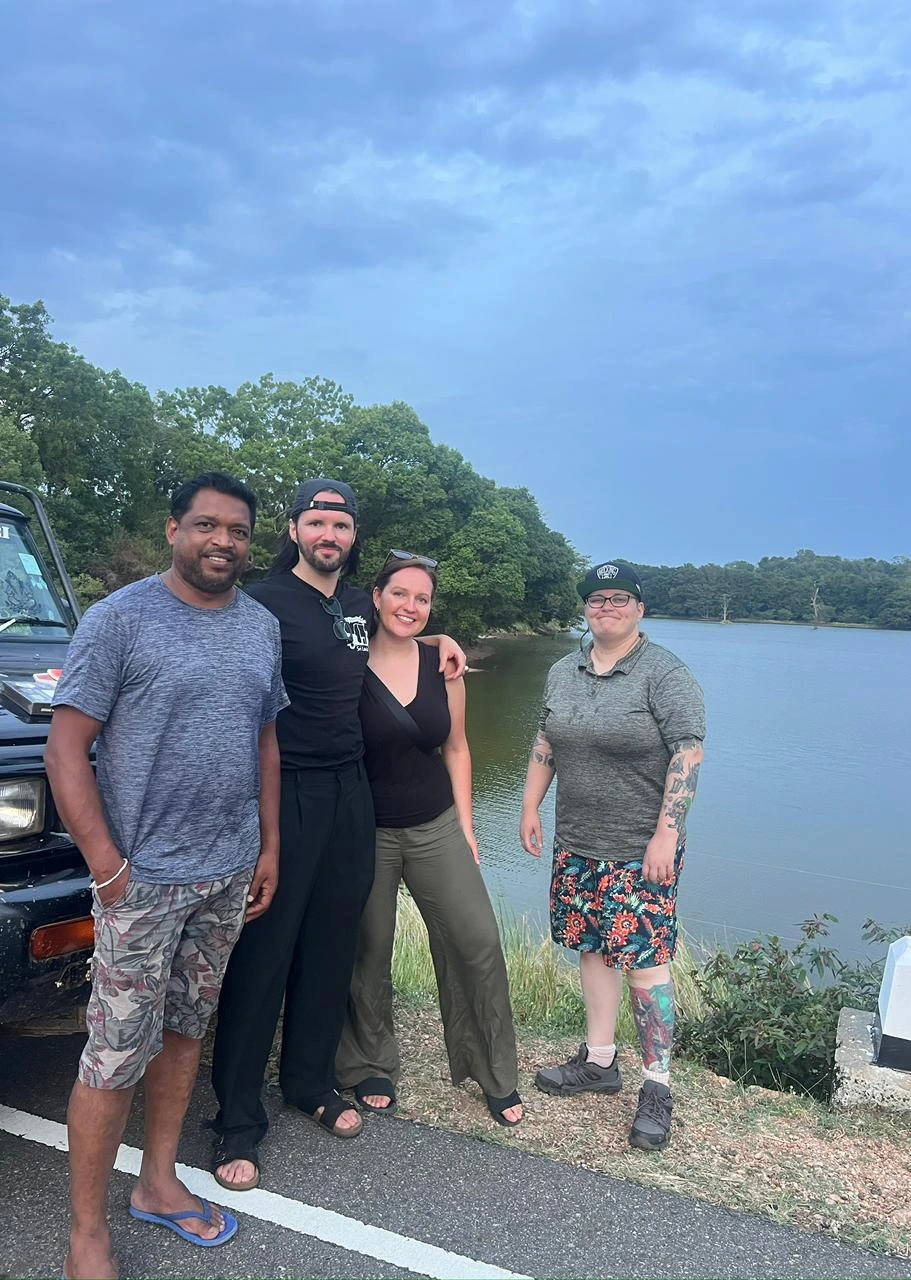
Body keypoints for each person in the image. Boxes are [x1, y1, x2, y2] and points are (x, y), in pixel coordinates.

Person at [46, 472, 287, 1280]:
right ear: (173, 530)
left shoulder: (260, 627)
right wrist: (108, 869)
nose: (224, 542)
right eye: (207, 525)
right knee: (114, 1054)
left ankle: (157, 1182)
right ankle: (87, 1234)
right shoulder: (119, 620)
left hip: (225, 873)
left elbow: (264, 741)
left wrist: (268, 846)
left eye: (239, 531)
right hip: (142, 880)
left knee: (185, 1032)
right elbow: (65, 748)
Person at [211, 480, 466, 1190]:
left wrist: (441, 640)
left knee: (330, 946)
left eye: (342, 524)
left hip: (351, 791)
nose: (330, 534)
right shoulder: (260, 603)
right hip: (285, 790)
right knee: (265, 952)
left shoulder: (356, 604)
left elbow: (401, 634)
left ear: (354, 537)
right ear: (294, 529)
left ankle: (309, 1081)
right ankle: (237, 1117)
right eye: (318, 521)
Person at [520, 560, 704, 1151]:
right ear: (585, 609)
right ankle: (599, 1061)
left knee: (646, 964)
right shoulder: (562, 671)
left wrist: (667, 834)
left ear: (640, 609)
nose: (607, 607)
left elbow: (687, 754)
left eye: (620, 598)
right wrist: (529, 807)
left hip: (639, 850)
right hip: (578, 842)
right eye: (597, 598)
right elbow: (546, 741)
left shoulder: (664, 673)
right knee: (594, 949)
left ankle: (658, 1085)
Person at [336, 553, 522, 1126]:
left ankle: (492, 1071)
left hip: (436, 824)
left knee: (477, 940)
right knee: (369, 948)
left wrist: (467, 827)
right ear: (376, 596)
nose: (410, 606)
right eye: (400, 593)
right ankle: (369, 1062)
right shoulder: (346, 661)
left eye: (422, 599)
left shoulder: (444, 666)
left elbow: (457, 748)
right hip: (366, 829)